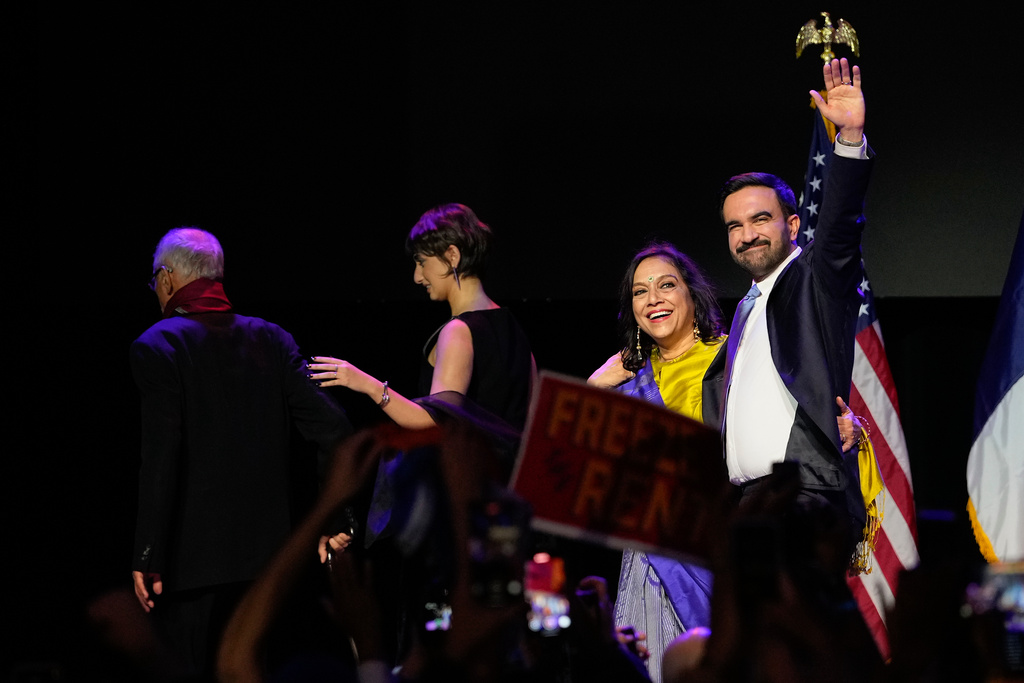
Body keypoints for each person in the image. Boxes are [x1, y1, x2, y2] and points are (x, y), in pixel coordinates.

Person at [131, 227, 352, 678]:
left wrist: (147, 555)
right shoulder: (271, 339)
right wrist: (334, 520)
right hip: (271, 567)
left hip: (189, 570)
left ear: (168, 278)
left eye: (154, 280)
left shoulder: (158, 345)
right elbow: (335, 429)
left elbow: (161, 458)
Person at [719, 56, 872, 556]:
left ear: (789, 226)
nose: (746, 236)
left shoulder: (813, 280)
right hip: (750, 506)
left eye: (759, 220)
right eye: (735, 227)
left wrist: (848, 140)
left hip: (802, 499)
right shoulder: (745, 307)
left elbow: (839, 231)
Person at [588, 242, 728, 683]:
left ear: (692, 295)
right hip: (649, 555)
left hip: (715, 543)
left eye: (667, 286)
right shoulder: (628, 376)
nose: (653, 300)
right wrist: (596, 386)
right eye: (640, 292)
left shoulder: (730, 359)